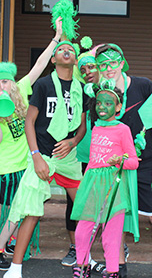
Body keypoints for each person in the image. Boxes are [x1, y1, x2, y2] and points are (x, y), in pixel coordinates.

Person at [0, 19, 63, 271]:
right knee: (14, 209)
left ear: (11, 81)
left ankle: (6, 244)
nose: (1, 87)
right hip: (7, 166)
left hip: (30, 161)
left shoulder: (23, 88)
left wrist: (57, 36)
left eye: (4, 82)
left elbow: (40, 65)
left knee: (27, 205)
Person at [3, 40, 88, 278]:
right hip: (43, 155)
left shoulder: (81, 89)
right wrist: (36, 156)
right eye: (61, 49)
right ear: (53, 59)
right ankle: (15, 267)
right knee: (32, 211)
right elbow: (29, 122)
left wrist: (73, 142)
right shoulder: (43, 85)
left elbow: (82, 126)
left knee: (83, 208)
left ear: (76, 58)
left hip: (68, 156)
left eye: (71, 49)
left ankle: (85, 257)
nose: (66, 50)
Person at [95, 44, 152, 278]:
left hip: (146, 162)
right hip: (116, 164)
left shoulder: (142, 85)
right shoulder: (100, 93)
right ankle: (119, 266)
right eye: (103, 64)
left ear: (122, 62)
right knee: (117, 217)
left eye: (113, 62)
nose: (108, 68)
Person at [71, 79, 139, 278]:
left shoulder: (123, 129)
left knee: (111, 234)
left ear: (118, 107)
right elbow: (93, 161)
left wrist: (119, 161)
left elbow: (133, 161)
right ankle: (82, 266)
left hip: (114, 188)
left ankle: (112, 271)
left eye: (108, 103)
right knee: (83, 229)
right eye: (99, 103)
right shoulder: (95, 128)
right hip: (92, 185)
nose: (102, 107)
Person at [62, 48, 102, 268]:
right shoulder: (77, 90)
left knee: (105, 202)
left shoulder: (110, 90)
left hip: (104, 157)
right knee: (74, 202)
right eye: (83, 68)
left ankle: (113, 245)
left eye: (91, 67)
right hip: (80, 156)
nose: (87, 72)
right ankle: (75, 247)